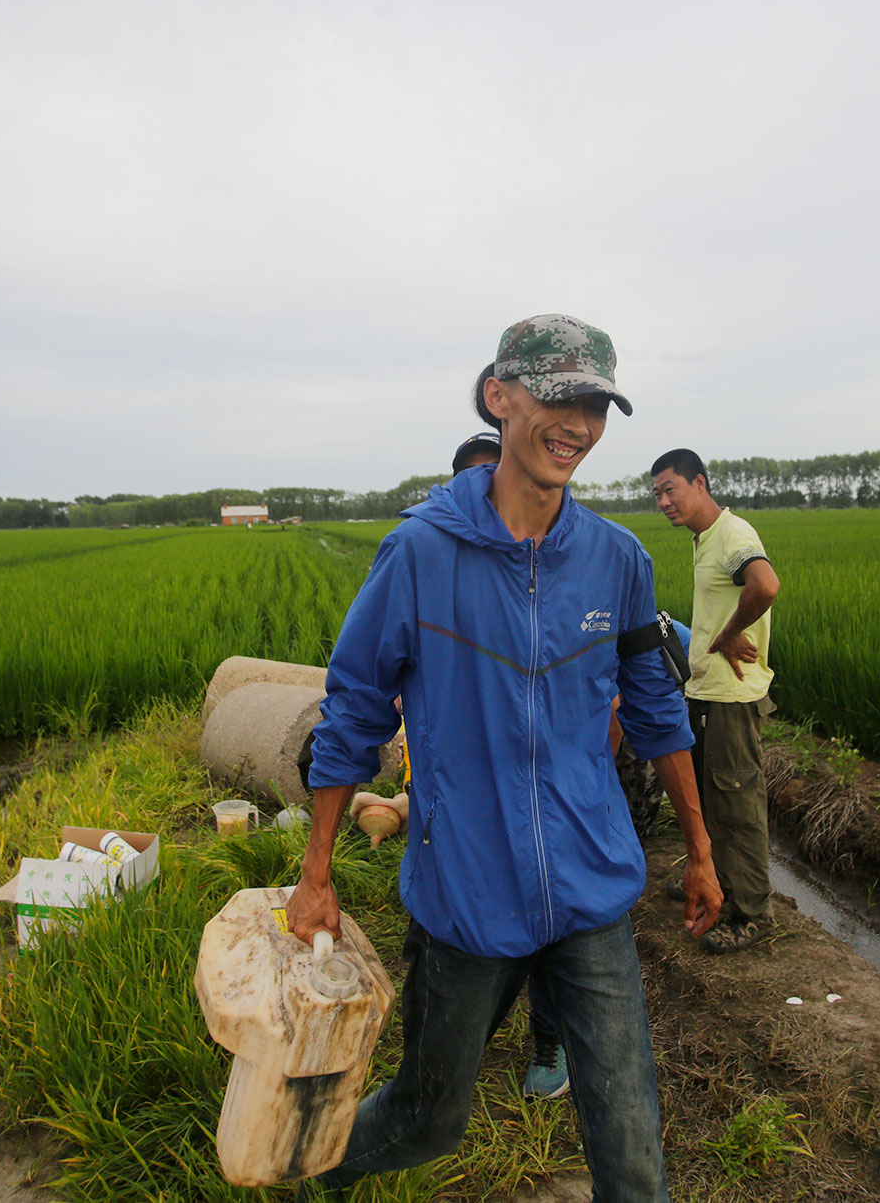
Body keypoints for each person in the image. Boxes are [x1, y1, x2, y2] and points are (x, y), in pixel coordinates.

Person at [289, 316, 722, 1202]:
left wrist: (703, 851)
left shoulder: (616, 560)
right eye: (560, 397)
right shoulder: (419, 553)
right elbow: (354, 714)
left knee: (634, 1155)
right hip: (467, 894)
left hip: (589, 889)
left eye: (595, 404)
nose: (578, 423)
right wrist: (317, 869)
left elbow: (655, 711)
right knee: (425, 1117)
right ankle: (318, 1174)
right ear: (500, 397)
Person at [441, 427, 573, 1099]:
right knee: (468, 937)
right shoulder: (438, 561)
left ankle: (549, 1039)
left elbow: (604, 692)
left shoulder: (572, 563)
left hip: (551, 802)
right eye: (480, 478)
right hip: (466, 805)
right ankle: (452, 1046)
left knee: (550, 934)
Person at [649, 448, 781, 955]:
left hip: (730, 696)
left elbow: (765, 585)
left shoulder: (733, 534)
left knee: (736, 803)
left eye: (670, 489)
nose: (664, 501)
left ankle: (752, 912)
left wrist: (729, 635)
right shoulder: (706, 540)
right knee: (707, 798)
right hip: (704, 691)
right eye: (657, 493)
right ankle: (711, 881)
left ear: (699, 483)